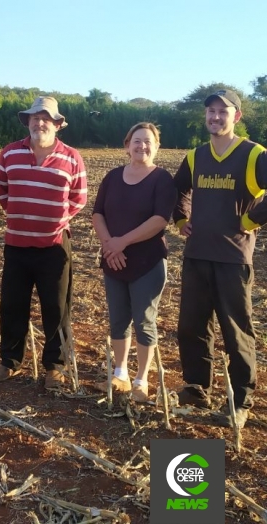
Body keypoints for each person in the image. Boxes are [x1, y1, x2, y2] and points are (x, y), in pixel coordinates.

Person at [173, 89, 267, 428]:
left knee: (236, 331)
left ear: (236, 117)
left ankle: (239, 400)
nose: (215, 116)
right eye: (210, 111)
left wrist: (251, 221)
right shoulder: (197, 155)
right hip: (197, 255)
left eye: (222, 111)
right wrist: (181, 219)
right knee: (191, 326)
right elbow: (178, 189)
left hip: (233, 258)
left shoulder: (254, 154)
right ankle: (197, 386)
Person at [0, 96, 87, 389]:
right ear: (28, 122)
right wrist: (23, 216)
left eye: (46, 118)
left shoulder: (72, 157)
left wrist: (53, 221)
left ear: (57, 125)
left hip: (54, 247)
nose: (39, 122)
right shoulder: (9, 154)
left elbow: (79, 198)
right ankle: (10, 361)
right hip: (17, 245)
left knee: (56, 307)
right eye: (34, 117)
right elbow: (1, 191)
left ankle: (54, 366)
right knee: (12, 304)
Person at [91, 123, 176, 402]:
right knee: (118, 320)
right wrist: (109, 246)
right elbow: (98, 214)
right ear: (127, 145)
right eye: (137, 141)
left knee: (144, 320)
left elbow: (160, 220)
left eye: (148, 142)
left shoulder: (162, 179)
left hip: (147, 263)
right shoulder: (113, 177)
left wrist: (121, 242)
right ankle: (121, 373)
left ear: (157, 146)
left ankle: (141, 379)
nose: (142, 146)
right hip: (113, 261)